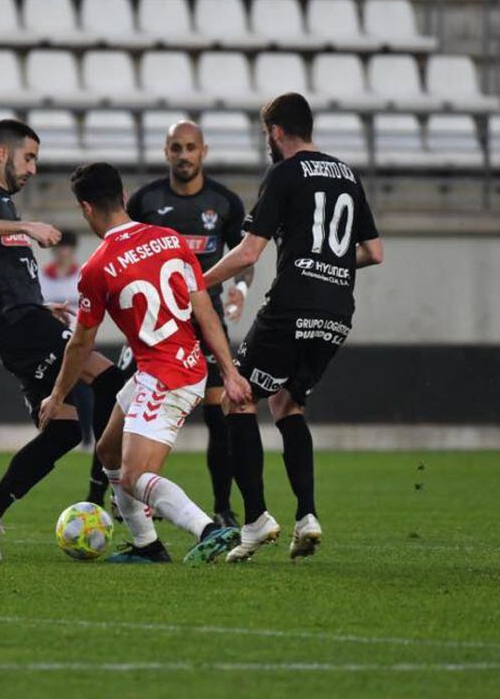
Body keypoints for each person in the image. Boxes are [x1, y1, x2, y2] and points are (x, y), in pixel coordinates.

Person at [39, 162, 252, 564]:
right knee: (108, 452)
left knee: (135, 477)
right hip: (179, 365)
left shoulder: (97, 268)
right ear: (123, 197)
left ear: (86, 209)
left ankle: (208, 528)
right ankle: (147, 546)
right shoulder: (170, 239)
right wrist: (229, 370)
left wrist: (56, 396)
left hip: (166, 375)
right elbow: (204, 308)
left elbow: (81, 343)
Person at [203, 93, 384, 562]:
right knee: (287, 403)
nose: (268, 142)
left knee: (235, 398)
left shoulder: (283, 173)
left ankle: (256, 519)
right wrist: (330, 266)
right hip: (337, 311)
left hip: (292, 305)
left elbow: (247, 253)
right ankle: (307, 516)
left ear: (277, 132)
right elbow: (374, 252)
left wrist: (195, 286)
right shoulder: (347, 174)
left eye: (268, 134)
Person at [0, 120, 126, 561]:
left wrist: (40, 305)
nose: (32, 168)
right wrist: (26, 227)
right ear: (3, 153)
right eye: (29, 158)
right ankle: (108, 497)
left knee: (63, 430)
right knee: (111, 383)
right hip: (17, 325)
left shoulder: (3, 208)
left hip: (24, 320)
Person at [101, 120, 250, 528]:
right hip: (154, 327)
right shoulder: (147, 200)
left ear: (203, 151)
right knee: (120, 407)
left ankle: (222, 506)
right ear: (166, 151)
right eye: (175, 148)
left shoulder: (226, 203)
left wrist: (240, 287)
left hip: (206, 320)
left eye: (190, 148)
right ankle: (104, 498)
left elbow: (243, 255)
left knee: (219, 418)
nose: (183, 155)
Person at [37, 231, 96, 449]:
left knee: (84, 390)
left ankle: (87, 436)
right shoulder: (43, 277)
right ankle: (55, 433)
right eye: (60, 248)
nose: (63, 252)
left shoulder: (82, 275)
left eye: (67, 248)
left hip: (80, 339)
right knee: (53, 388)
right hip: (52, 340)